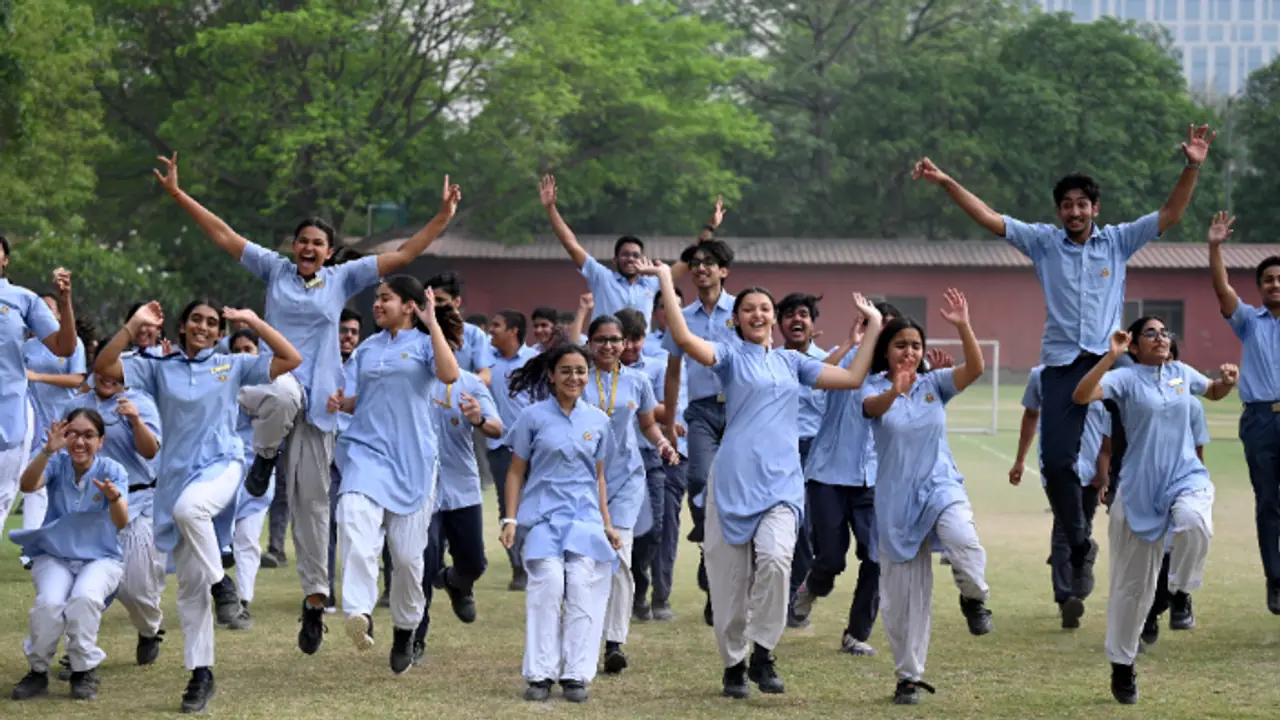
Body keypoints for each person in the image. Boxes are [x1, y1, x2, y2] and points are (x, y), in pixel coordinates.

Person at [153, 153, 460, 654]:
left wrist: (442, 219)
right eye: (303, 241)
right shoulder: (273, 269)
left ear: (330, 251)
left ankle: (315, 601)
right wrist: (178, 195)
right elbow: (225, 236)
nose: (308, 248)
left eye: (318, 243)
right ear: (293, 247)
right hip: (273, 390)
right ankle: (262, 460)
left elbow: (403, 256)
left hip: (320, 410)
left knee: (312, 508)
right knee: (282, 391)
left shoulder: (342, 278)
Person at [912, 125, 1214, 616]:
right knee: (1054, 465)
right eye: (1066, 204)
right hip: (1060, 368)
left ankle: (1169, 595)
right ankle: (1078, 543)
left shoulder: (1117, 242)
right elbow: (990, 218)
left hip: (1113, 365)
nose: (1074, 211)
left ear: (1095, 208)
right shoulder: (1044, 243)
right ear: (1058, 212)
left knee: (1132, 470)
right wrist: (947, 183)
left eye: (1082, 204)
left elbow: (1171, 213)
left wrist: (1193, 164)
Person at [643, 257, 884, 698]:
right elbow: (682, 337)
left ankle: (763, 653)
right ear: (735, 320)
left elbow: (851, 377)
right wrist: (664, 278)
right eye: (750, 308)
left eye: (765, 308)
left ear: (773, 318)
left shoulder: (794, 363)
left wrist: (874, 325)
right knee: (729, 584)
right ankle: (733, 664)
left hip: (782, 483)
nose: (759, 314)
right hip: (733, 480)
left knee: (776, 562)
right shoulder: (730, 357)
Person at [94, 299, 300, 713]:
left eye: (211, 322)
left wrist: (252, 321)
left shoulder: (231, 364)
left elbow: (289, 357)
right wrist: (134, 324)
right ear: (183, 326)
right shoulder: (158, 367)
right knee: (190, 590)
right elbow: (104, 365)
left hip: (222, 465)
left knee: (192, 510)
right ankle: (201, 674)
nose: (204, 327)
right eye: (196, 321)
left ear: (218, 331)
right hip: (173, 479)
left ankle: (224, 584)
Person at [1072, 318, 1237, 705]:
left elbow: (1211, 391)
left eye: (1166, 333)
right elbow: (1081, 396)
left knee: (1196, 522)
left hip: (1184, 475)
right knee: (1132, 590)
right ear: (1133, 346)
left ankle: (1181, 592)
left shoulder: (1181, 372)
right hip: (1139, 487)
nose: (1162, 338)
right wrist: (1109, 357)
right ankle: (1122, 664)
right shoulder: (1125, 379)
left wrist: (1227, 383)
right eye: (1151, 333)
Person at [861, 290, 993, 706]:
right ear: (886, 350)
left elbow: (975, 368)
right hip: (896, 500)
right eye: (901, 345)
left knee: (965, 544)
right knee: (904, 600)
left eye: (916, 345)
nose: (909, 352)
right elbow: (870, 409)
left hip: (940, 486)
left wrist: (962, 325)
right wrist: (897, 391)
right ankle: (908, 678)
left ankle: (974, 599)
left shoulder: (936, 382)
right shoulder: (870, 384)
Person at [327, 277, 460, 674]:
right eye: (376, 299)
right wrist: (344, 403)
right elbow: (365, 400)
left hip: (414, 461)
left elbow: (449, 375)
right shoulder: (367, 350)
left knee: (406, 558)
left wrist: (432, 322)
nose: (377, 305)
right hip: (367, 453)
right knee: (351, 515)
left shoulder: (424, 345)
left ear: (409, 306)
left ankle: (405, 629)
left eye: (386, 298)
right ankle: (359, 610)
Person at [500, 343, 622, 703]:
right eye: (566, 370)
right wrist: (510, 518)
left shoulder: (598, 420)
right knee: (549, 584)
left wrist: (607, 523)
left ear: (589, 375)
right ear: (551, 376)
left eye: (581, 371)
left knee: (583, 585)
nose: (574, 377)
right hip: (541, 519)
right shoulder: (532, 417)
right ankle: (539, 675)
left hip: (584, 521)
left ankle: (575, 675)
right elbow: (515, 472)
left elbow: (599, 477)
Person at [580, 313, 678, 676]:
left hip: (626, 478)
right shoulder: (577, 377)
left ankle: (614, 643)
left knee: (619, 555)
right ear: (590, 343)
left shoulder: (637, 381)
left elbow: (648, 424)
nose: (608, 346)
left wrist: (664, 445)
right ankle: (582, 636)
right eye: (601, 339)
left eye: (614, 340)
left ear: (625, 344)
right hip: (581, 480)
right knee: (585, 561)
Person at [9, 409, 129, 702]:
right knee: (49, 604)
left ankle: (83, 669)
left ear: (100, 442)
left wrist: (113, 498)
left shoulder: (113, 471)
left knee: (85, 598)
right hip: (55, 555)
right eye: (73, 433)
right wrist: (47, 450)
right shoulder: (57, 462)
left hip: (101, 557)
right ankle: (38, 671)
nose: (79, 442)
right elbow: (27, 485)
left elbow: (121, 521)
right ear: (64, 435)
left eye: (88, 435)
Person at [791, 314, 881, 656]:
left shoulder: (894, 372)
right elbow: (810, 380)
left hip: (870, 478)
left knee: (877, 558)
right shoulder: (842, 358)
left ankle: (857, 634)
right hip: (828, 474)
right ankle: (812, 586)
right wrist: (849, 344)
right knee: (831, 558)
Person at [64, 369, 164, 664]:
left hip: (137, 503)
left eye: (116, 372)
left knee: (136, 591)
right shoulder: (77, 405)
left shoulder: (141, 401)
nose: (108, 377)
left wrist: (134, 419)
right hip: (91, 511)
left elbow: (150, 451)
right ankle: (77, 654)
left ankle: (149, 630)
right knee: (81, 588)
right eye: (102, 370)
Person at [1207, 211, 1280, 613]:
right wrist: (1215, 247)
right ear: (1260, 287)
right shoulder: (1251, 321)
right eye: (1269, 280)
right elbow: (1222, 290)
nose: (1276, 284)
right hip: (1260, 420)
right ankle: (1276, 579)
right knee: (1268, 500)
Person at [661, 239, 737, 626]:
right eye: (694, 263)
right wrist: (670, 423)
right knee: (698, 480)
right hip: (702, 412)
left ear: (724, 270)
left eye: (709, 263)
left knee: (737, 494)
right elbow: (673, 371)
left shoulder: (743, 311)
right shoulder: (682, 316)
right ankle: (708, 547)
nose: (700, 268)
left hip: (741, 410)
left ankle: (722, 582)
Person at [412, 356, 502, 665]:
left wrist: (478, 418)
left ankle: (456, 582)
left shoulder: (470, 383)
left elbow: (497, 427)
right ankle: (414, 637)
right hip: (419, 487)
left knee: (475, 563)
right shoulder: (409, 378)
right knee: (423, 565)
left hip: (462, 486)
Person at [1010, 365, 1111, 628]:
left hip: (1091, 467)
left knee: (1080, 527)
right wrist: (1020, 459)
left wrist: (1105, 472)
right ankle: (1067, 597)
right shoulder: (1040, 376)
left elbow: (1108, 430)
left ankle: (1069, 565)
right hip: (1057, 466)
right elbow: (1031, 415)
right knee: (1065, 526)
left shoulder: (1105, 376)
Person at [0, 261, 78, 569]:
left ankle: (36, 548)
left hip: (10, 419)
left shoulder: (21, 299)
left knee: (7, 495)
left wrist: (65, 301)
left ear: (5, 259)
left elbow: (65, 346)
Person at [540, 175, 664, 330]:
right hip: (603, 349)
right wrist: (551, 208)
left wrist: (658, 272)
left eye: (635, 255)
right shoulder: (603, 278)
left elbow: (686, 263)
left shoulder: (652, 284)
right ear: (615, 259)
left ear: (643, 259)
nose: (631, 259)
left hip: (637, 351)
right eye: (625, 254)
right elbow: (572, 246)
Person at [775, 293, 829, 627]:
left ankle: (797, 597)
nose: (797, 319)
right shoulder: (770, 360)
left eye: (804, 314)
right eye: (790, 314)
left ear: (812, 323)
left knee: (810, 532)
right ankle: (787, 600)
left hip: (817, 456)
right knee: (787, 528)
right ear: (779, 323)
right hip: (779, 453)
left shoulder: (829, 360)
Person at [222, 329, 275, 629]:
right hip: (222, 470)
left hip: (258, 473)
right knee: (219, 536)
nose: (243, 353)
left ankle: (243, 601)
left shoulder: (273, 387)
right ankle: (221, 593)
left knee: (248, 538)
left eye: (248, 348)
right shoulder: (220, 386)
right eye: (237, 349)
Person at [486, 310, 537, 590]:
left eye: (496, 325)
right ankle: (519, 568)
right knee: (509, 507)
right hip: (501, 446)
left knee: (540, 505)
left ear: (514, 331)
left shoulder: (534, 362)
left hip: (535, 447)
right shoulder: (485, 364)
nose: (490, 330)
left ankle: (539, 560)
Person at [425, 271, 493, 383]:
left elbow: (485, 376)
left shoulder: (473, 334)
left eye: (440, 300)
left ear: (457, 302)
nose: (434, 306)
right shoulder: (418, 332)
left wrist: (459, 385)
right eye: (429, 301)